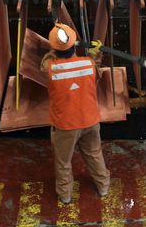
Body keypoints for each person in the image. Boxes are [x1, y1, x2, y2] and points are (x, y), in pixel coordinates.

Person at [41, 23, 110, 204]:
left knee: (63, 162)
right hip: (90, 121)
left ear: (54, 49)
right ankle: (103, 187)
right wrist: (96, 53)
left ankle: (65, 196)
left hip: (65, 126)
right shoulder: (88, 64)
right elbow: (96, 67)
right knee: (94, 154)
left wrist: (54, 49)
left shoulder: (51, 68)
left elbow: (44, 62)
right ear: (74, 46)